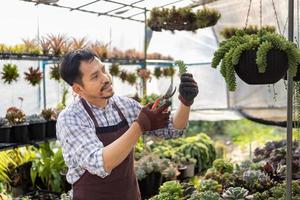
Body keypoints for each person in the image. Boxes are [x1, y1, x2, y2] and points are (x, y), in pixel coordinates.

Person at [56, 48, 198, 200]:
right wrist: (139, 126)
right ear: (78, 89)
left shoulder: (124, 106)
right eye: (95, 76)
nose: (105, 78)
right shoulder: (71, 118)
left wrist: (185, 102)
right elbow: (102, 163)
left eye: (103, 70)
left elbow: (172, 129)